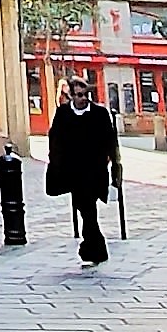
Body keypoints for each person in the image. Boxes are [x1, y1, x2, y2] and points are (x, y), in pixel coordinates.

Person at [46, 85, 120, 264]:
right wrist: (56, 163)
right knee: (86, 208)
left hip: (94, 170)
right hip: (72, 171)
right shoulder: (63, 113)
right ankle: (94, 247)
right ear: (71, 96)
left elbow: (110, 141)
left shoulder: (99, 114)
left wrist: (114, 164)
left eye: (86, 94)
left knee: (87, 206)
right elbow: (55, 140)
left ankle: (92, 246)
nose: (84, 98)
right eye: (79, 95)